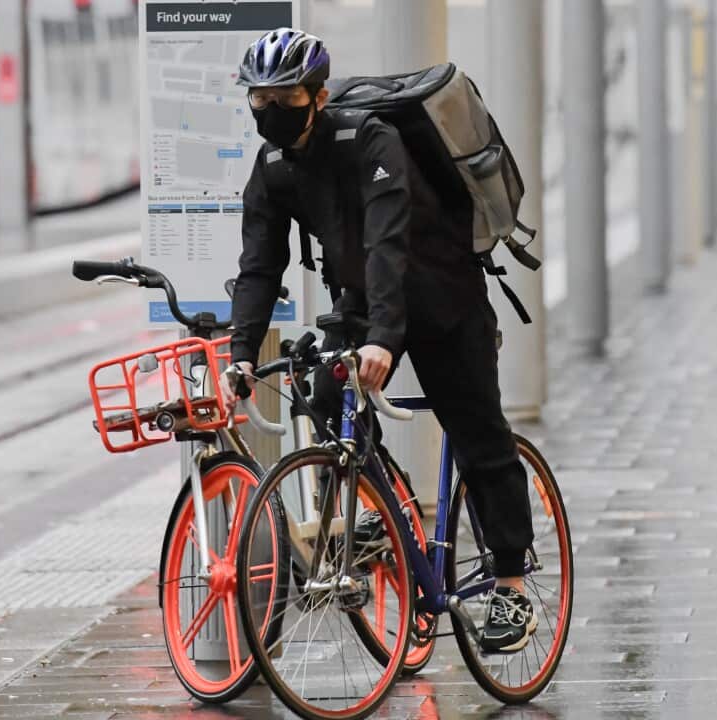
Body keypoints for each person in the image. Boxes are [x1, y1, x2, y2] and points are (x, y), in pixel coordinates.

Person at [221, 28, 537, 654]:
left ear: (315, 97)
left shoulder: (370, 140)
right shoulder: (276, 165)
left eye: (284, 98)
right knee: (322, 395)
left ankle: (510, 585)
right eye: (259, 100)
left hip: (442, 297)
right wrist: (239, 352)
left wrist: (385, 341)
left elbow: (387, 243)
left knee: (478, 432)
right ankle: (382, 509)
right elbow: (259, 264)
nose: (270, 111)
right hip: (364, 304)